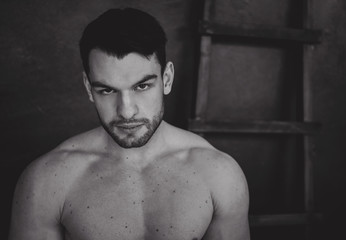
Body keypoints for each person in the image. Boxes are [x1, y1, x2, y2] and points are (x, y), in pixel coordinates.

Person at [8, 8, 250, 240]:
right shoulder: (47, 181)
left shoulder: (219, 174)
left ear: (166, 79)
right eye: (106, 90)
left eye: (142, 86)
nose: (126, 111)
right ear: (88, 88)